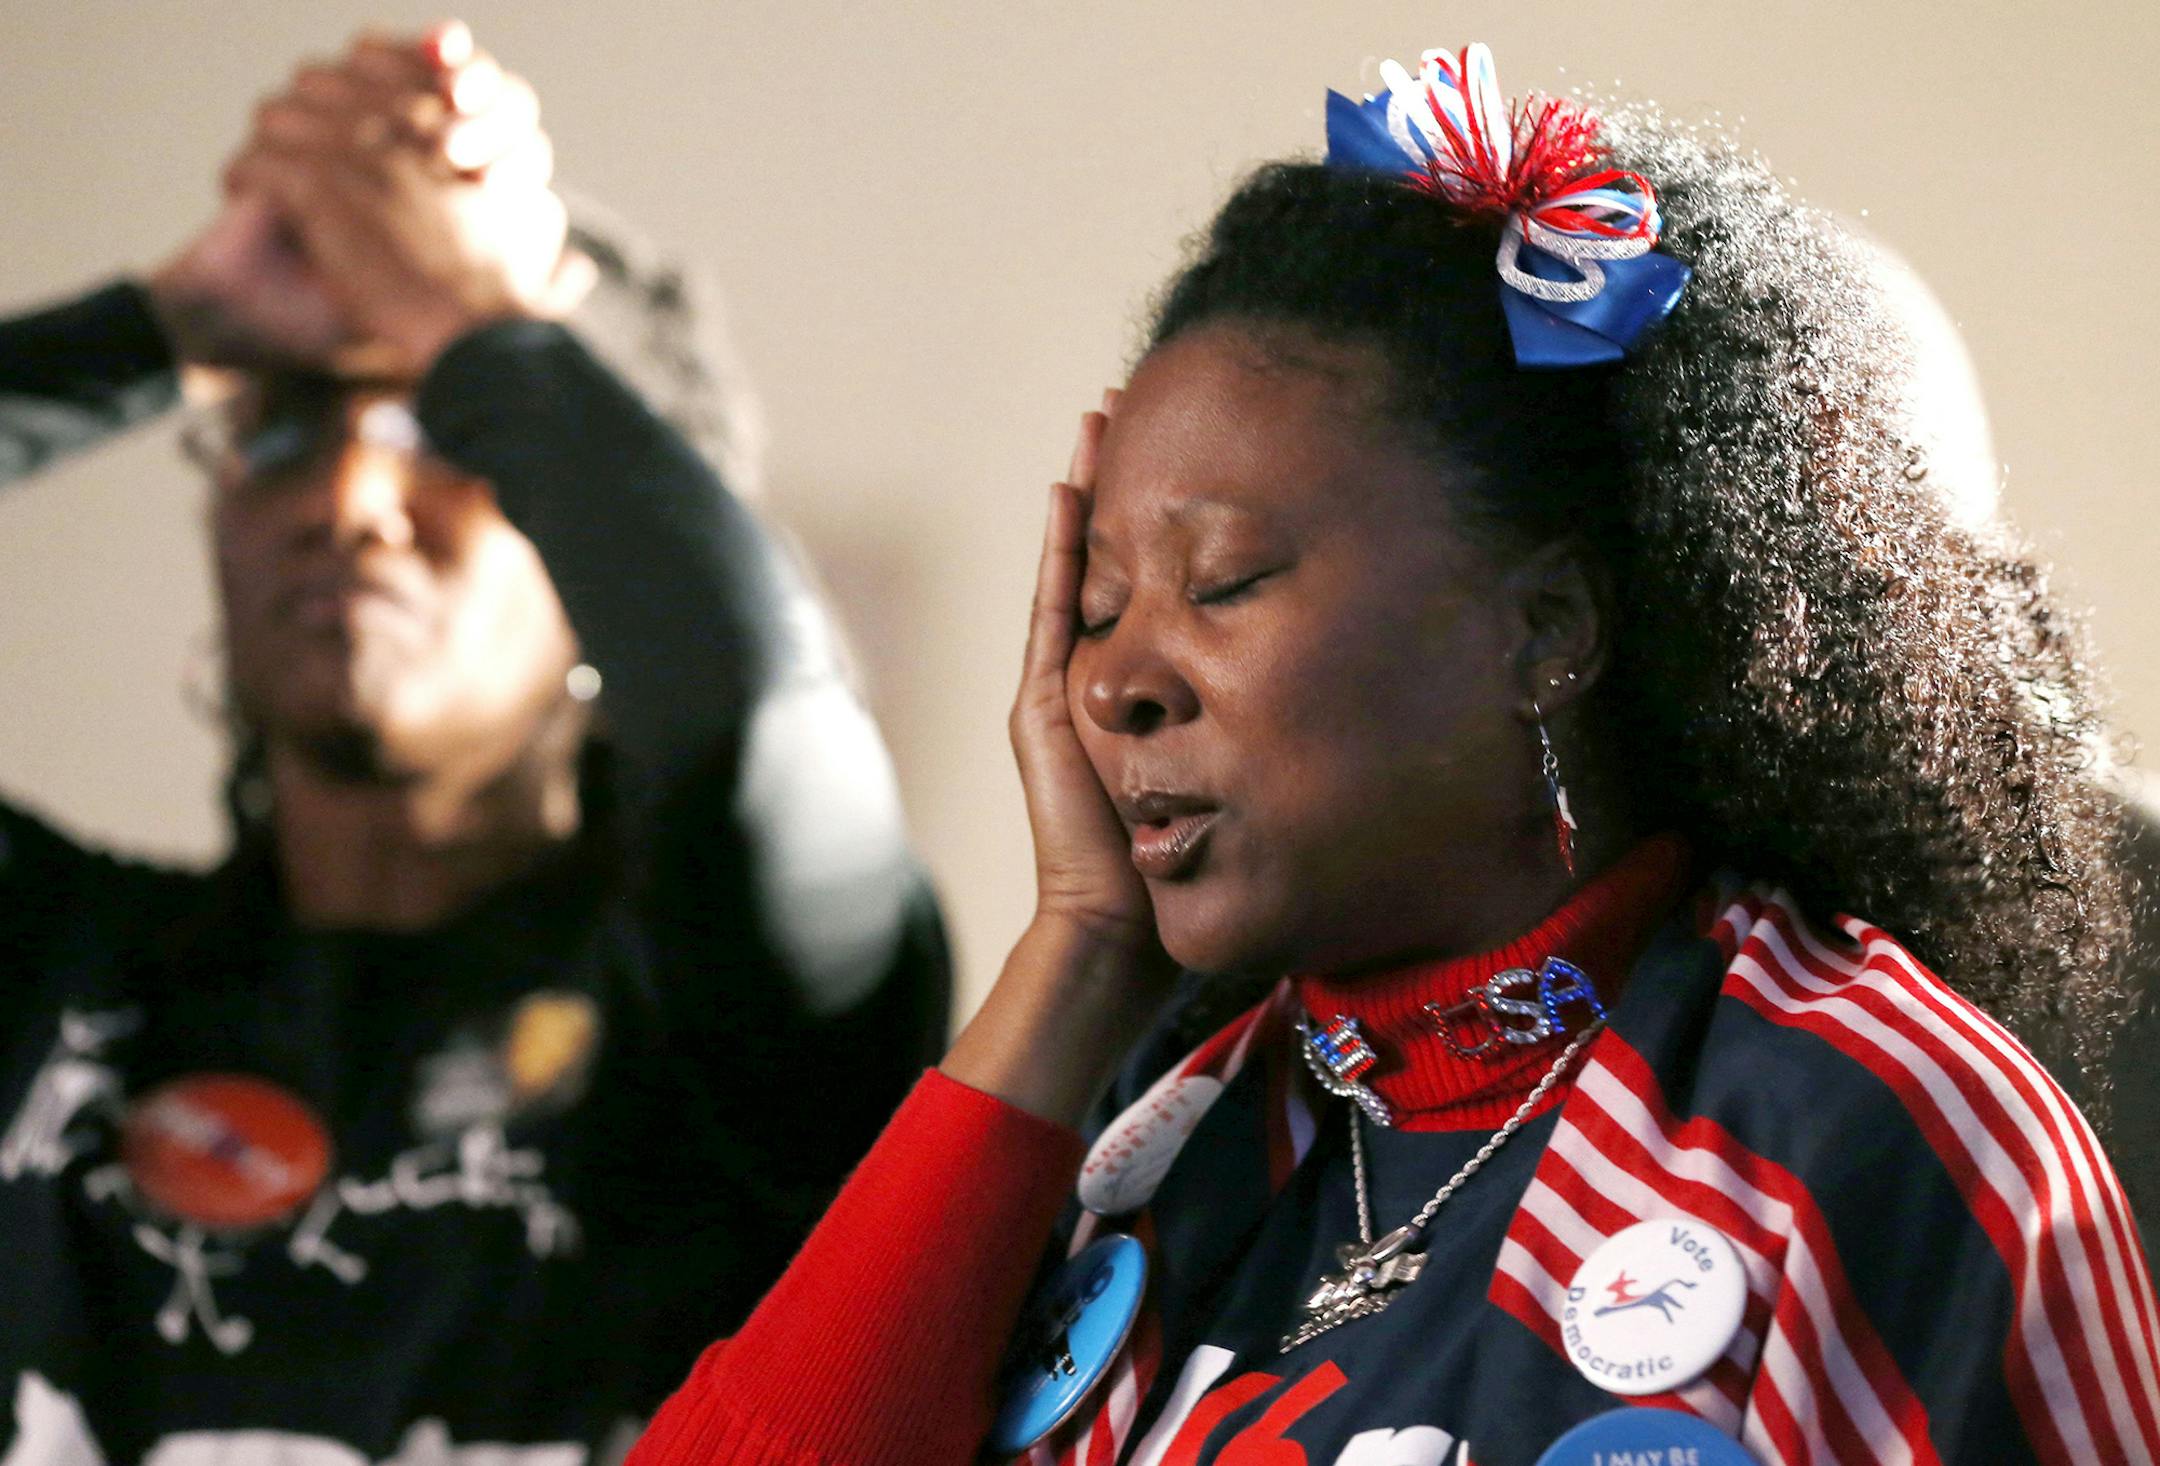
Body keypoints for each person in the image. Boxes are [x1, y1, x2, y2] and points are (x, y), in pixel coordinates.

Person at [622, 40, 2158, 1466]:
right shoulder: (1159, 1132)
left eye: (1221, 584)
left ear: (1541, 629)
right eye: (1095, 607)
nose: (1114, 683)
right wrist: (1078, 953)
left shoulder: (1871, 1131)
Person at [0, 24, 946, 1466]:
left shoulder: (739, 1018)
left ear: (593, 521)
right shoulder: (56, 958)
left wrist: (477, 314)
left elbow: (760, 720)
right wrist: (171, 325)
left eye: (454, 434)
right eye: (283, 430)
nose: (353, 497)